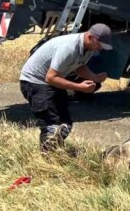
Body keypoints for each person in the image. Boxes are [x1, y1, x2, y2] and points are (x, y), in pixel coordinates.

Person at [19, 23, 112, 152]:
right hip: (35, 82)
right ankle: (48, 160)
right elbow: (50, 77)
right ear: (90, 37)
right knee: (52, 125)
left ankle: (55, 151)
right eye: (99, 45)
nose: (99, 49)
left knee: (65, 124)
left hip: (51, 81)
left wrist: (94, 77)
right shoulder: (69, 47)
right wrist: (80, 87)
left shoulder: (88, 48)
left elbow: (79, 66)